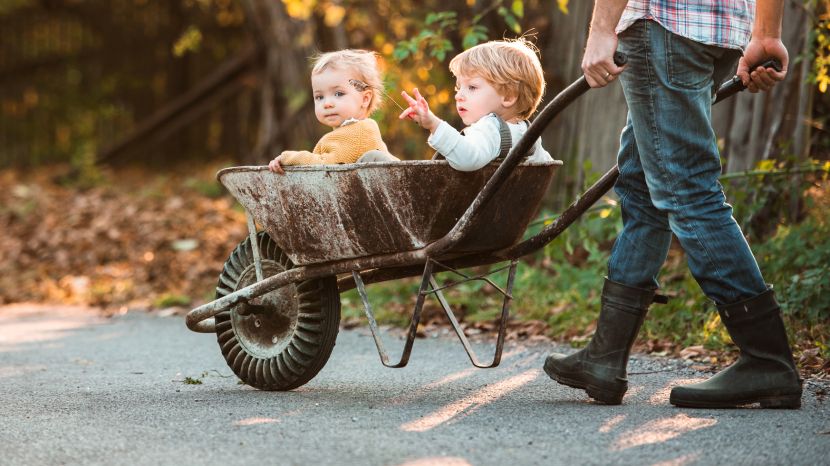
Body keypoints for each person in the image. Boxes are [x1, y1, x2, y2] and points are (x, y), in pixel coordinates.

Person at [543, 0, 802, 409]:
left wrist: (601, 30)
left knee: (688, 193)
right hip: (721, 29)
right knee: (645, 187)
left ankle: (767, 360)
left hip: (664, 22)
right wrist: (766, 34)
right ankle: (604, 358)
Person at [398, 38, 553, 170]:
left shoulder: (490, 128)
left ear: (508, 97)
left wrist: (433, 124)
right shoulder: (529, 133)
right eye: (459, 88)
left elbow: (468, 158)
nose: (458, 96)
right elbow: (546, 167)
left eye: (472, 87)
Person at [268, 49, 397, 175]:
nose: (327, 103)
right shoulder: (344, 134)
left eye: (338, 94)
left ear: (365, 99)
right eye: (319, 97)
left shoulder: (360, 133)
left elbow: (328, 167)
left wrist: (287, 158)